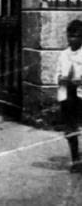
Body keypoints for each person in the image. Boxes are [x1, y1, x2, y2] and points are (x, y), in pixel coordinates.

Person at [57, 19, 82, 172]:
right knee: (70, 127)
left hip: (80, 94)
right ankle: (75, 159)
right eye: (70, 36)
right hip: (67, 94)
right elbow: (57, 74)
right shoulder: (63, 55)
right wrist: (62, 78)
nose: (72, 39)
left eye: (76, 36)